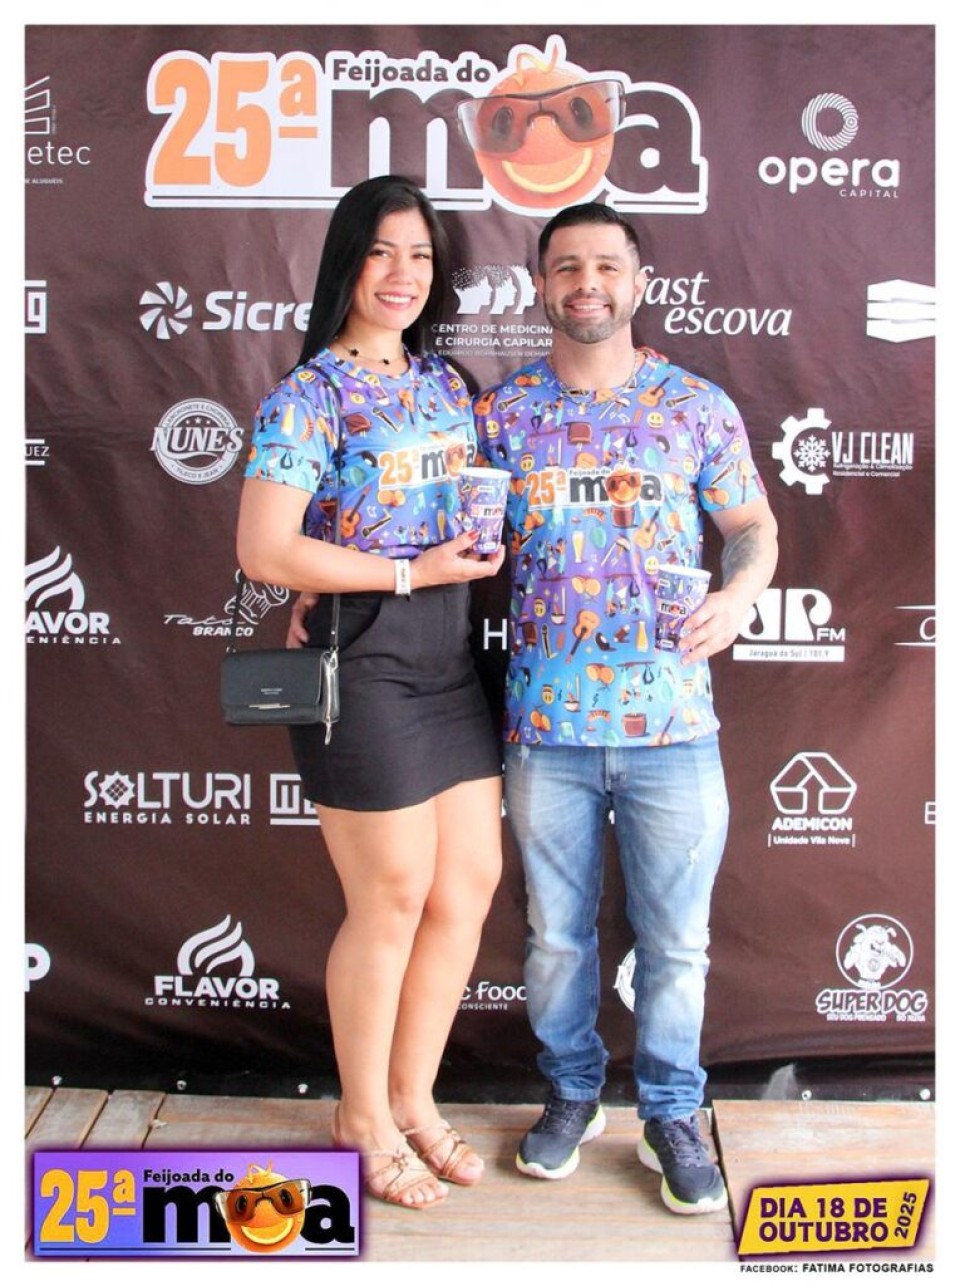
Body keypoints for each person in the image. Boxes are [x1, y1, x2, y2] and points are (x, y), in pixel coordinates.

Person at [473, 203, 779, 1214]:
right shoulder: (502, 413)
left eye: (606, 265)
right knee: (556, 937)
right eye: (567, 267)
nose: (586, 284)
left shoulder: (696, 404)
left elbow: (751, 526)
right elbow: (443, 538)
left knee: (677, 944)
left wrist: (738, 595)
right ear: (540, 285)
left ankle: (673, 1111)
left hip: (674, 729)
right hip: (546, 729)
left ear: (639, 282)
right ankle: (571, 1094)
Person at [236, 175, 505, 1211]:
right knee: (391, 892)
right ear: (347, 260)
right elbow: (265, 548)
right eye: (382, 251)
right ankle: (360, 1116)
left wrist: (453, 559)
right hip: (362, 658)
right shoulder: (308, 395)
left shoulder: (445, 382)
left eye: (421, 255)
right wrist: (397, 573)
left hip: (449, 656)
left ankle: (411, 1097)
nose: (402, 273)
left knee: (465, 884)